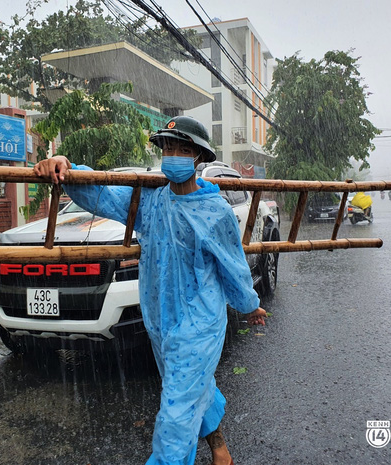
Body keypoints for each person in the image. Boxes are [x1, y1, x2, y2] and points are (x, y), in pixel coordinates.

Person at [34, 115, 266, 465]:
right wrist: (66, 167)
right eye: (168, 147)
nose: (173, 154)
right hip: (160, 318)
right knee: (188, 389)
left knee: (176, 411)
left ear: (198, 157)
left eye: (182, 149)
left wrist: (249, 305)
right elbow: (102, 193)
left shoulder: (214, 210)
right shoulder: (149, 200)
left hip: (200, 323)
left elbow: (232, 265)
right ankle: (221, 450)